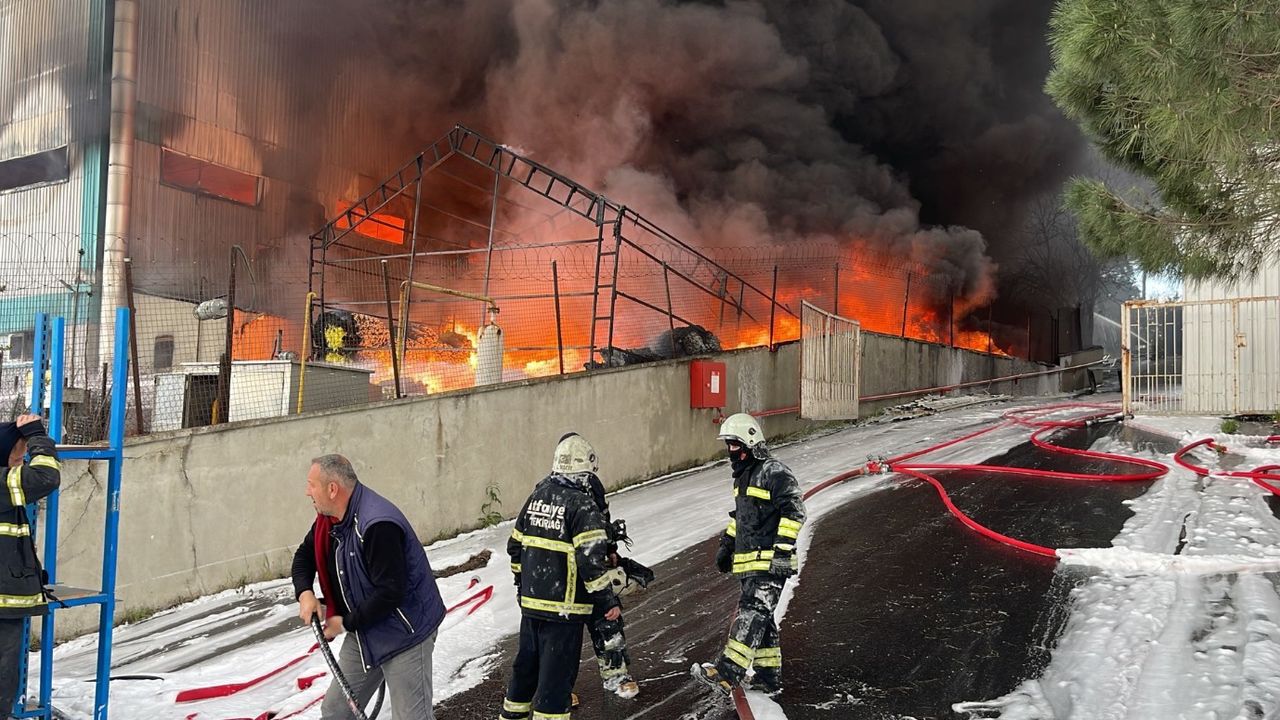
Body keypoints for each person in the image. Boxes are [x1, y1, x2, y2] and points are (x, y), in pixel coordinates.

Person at [292, 454, 445, 720]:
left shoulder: (377, 524)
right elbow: (304, 556)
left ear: (332, 489)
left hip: (404, 632)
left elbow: (390, 593)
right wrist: (305, 593)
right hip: (367, 629)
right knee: (337, 711)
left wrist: (344, 622)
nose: (307, 492)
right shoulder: (329, 520)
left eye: (311, 484)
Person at [500, 434, 620, 720]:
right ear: (584, 471)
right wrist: (607, 602)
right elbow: (591, 565)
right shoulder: (583, 505)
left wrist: (522, 587)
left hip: (531, 605)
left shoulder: (537, 496)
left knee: (525, 671)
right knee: (555, 683)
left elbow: (515, 546)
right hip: (564, 609)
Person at [692, 413, 806, 697]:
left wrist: (781, 552)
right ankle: (768, 677)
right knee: (762, 620)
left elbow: (794, 512)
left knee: (752, 613)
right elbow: (742, 518)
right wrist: (726, 545)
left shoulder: (774, 473)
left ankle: (727, 672)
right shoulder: (743, 478)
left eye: (734, 444)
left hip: (770, 563)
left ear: (751, 444)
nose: (730, 451)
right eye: (728, 445)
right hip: (750, 564)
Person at [562, 432, 654, 701]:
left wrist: (611, 550)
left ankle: (617, 675)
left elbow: (603, 518)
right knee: (564, 633)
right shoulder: (551, 490)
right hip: (566, 573)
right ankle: (561, 688)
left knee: (608, 620)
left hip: (595, 564)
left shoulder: (593, 484)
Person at [0, 414, 61, 717]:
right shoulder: (4, 482)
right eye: (19, 449)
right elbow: (46, 477)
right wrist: (37, 434)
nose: (23, 456)